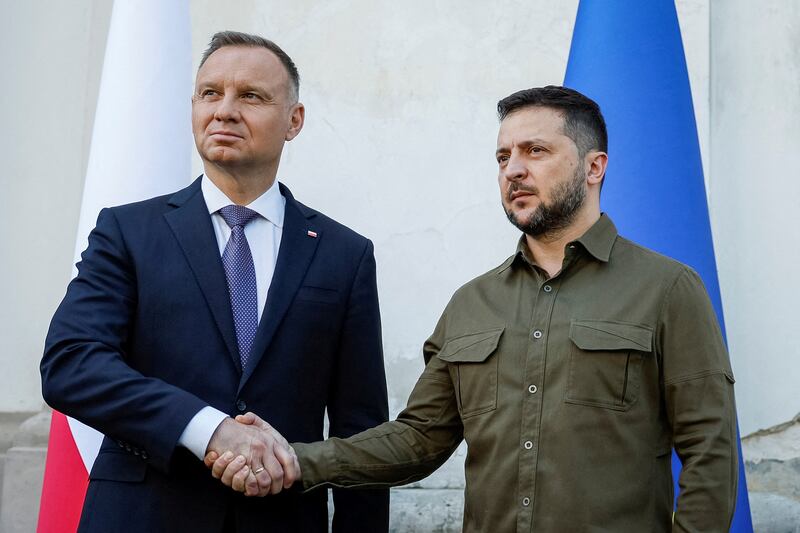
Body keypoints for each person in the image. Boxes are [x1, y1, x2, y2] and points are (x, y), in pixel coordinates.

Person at [210, 86, 739, 532]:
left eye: (536, 151)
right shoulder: (471, 304)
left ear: (594, 167)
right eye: (504, 157)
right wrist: (294, 459)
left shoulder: (668, 289)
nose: (514, 170)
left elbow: (710, 452)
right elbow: (418, 439)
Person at [41, 31, 389, 533]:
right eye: (210, 93)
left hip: (281, 521)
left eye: (250, 96)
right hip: (143, 517)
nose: (224, 110)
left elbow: (363, 433)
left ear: (294, 120)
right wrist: (209, 429)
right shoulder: (128, 232)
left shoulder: (344, 254)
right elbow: (71, 363)